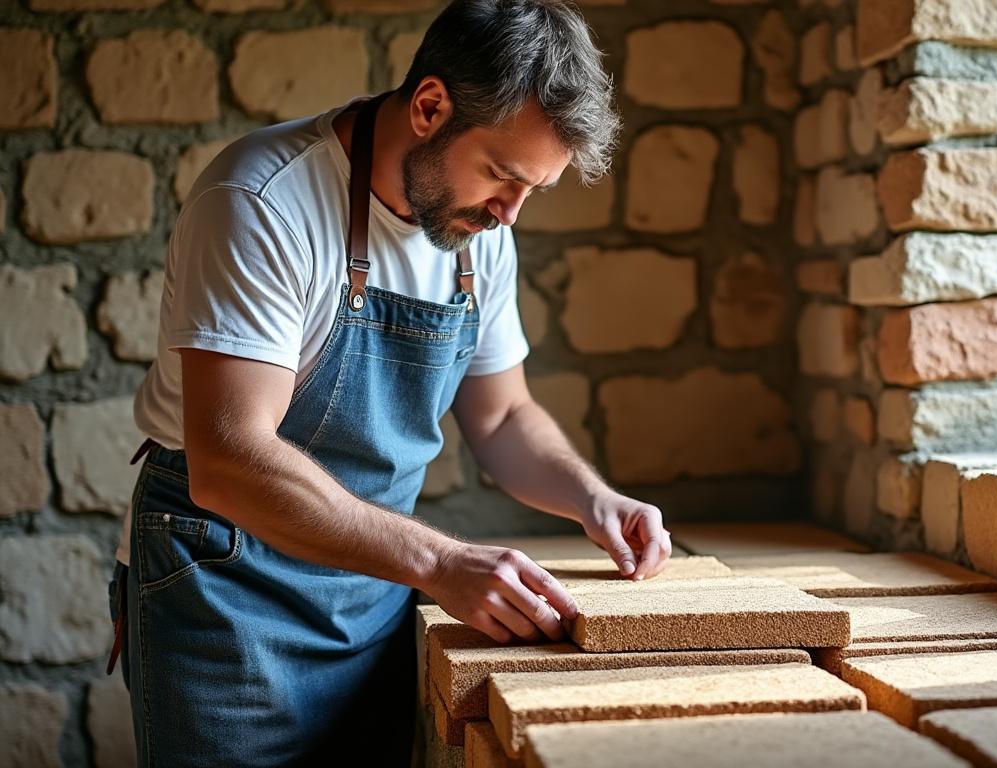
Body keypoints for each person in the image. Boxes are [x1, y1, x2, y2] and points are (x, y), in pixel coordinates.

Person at [106, 1, 670, 764]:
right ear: (431, 106)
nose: (511, 213)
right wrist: (440, 563)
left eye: (534, 189)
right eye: (503, 176)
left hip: (370, 593)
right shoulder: (263, 202)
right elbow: (229, 460)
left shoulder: (478, 232)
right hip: (224, 592)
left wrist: (590, 497)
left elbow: (503, 418)